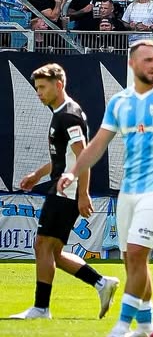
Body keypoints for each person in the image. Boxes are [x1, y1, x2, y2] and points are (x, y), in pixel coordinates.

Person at [58, 38, 153, 337]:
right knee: (132, 261)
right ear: (132, 64)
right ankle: (147, 326)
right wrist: (72, 172)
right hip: (129, 192)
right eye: (148, 60)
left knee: (137, 253)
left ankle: (122, 325)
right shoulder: (120, 103)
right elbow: (97, 144)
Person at [7, 62, 119, 321]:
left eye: (43, 87)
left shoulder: (68, 115)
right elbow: (65, 157)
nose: (39, 93)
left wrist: (83, 194)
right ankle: (101, 283)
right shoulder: (61, 112)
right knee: (52, 251)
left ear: (59, 85)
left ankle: (41, 308)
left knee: (42, 246)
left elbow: (84, 156)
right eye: (36, 88)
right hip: (62, 189)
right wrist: (38, 174)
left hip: (65, 193)